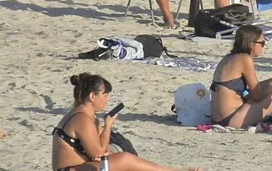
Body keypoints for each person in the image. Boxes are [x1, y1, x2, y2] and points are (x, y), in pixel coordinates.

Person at [52, 73, 200, 171]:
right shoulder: (81, 119)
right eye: (104, 95)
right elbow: (98, 152)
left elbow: (100, 150)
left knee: (123, 156)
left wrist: (104, 127)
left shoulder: (86, 115)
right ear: (92, 96)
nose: (107, 99)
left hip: (82, 166)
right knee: (125, 159)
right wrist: (108, 126)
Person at [210, 25, 272, 128]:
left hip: (220, 118)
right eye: (262, 43)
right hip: (231, 119)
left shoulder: (230, 57)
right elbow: (258, 95)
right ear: (251, 44)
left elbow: (254, 89)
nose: (263, 46)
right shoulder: (245, 59)